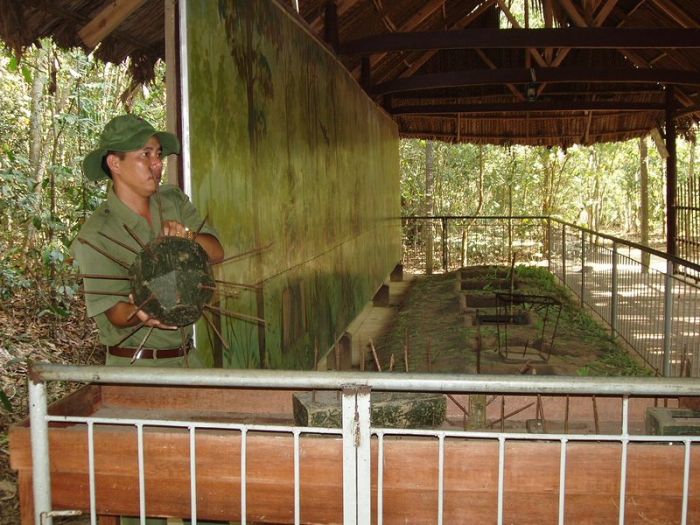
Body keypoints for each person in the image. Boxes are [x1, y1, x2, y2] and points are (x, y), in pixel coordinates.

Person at [71, 116, 225, 523]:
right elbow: (113, 313)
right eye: (145, 155)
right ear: (115, 163)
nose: (157, 164)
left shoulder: (172, 201)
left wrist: (188, 238)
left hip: (186, 363)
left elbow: (218, 250)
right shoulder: (96, 234)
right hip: (133, 371)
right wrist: (139, 312)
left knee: (211, 481)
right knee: (144, 492)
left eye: (159, 154)